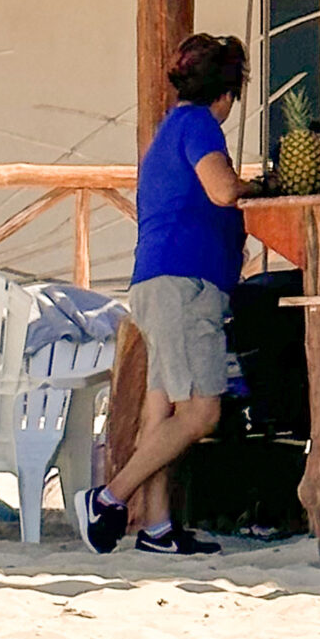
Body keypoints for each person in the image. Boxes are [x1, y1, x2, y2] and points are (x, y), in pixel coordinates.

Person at [77, 33, 262, 557]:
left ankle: (156, 527)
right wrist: (256, 188)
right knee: (202, 412)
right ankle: (107, 498)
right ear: (225, 92)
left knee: (162, 413)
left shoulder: (167, 129)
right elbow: (223, 190)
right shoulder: (200, 124)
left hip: (157, 281)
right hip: (185, 285)